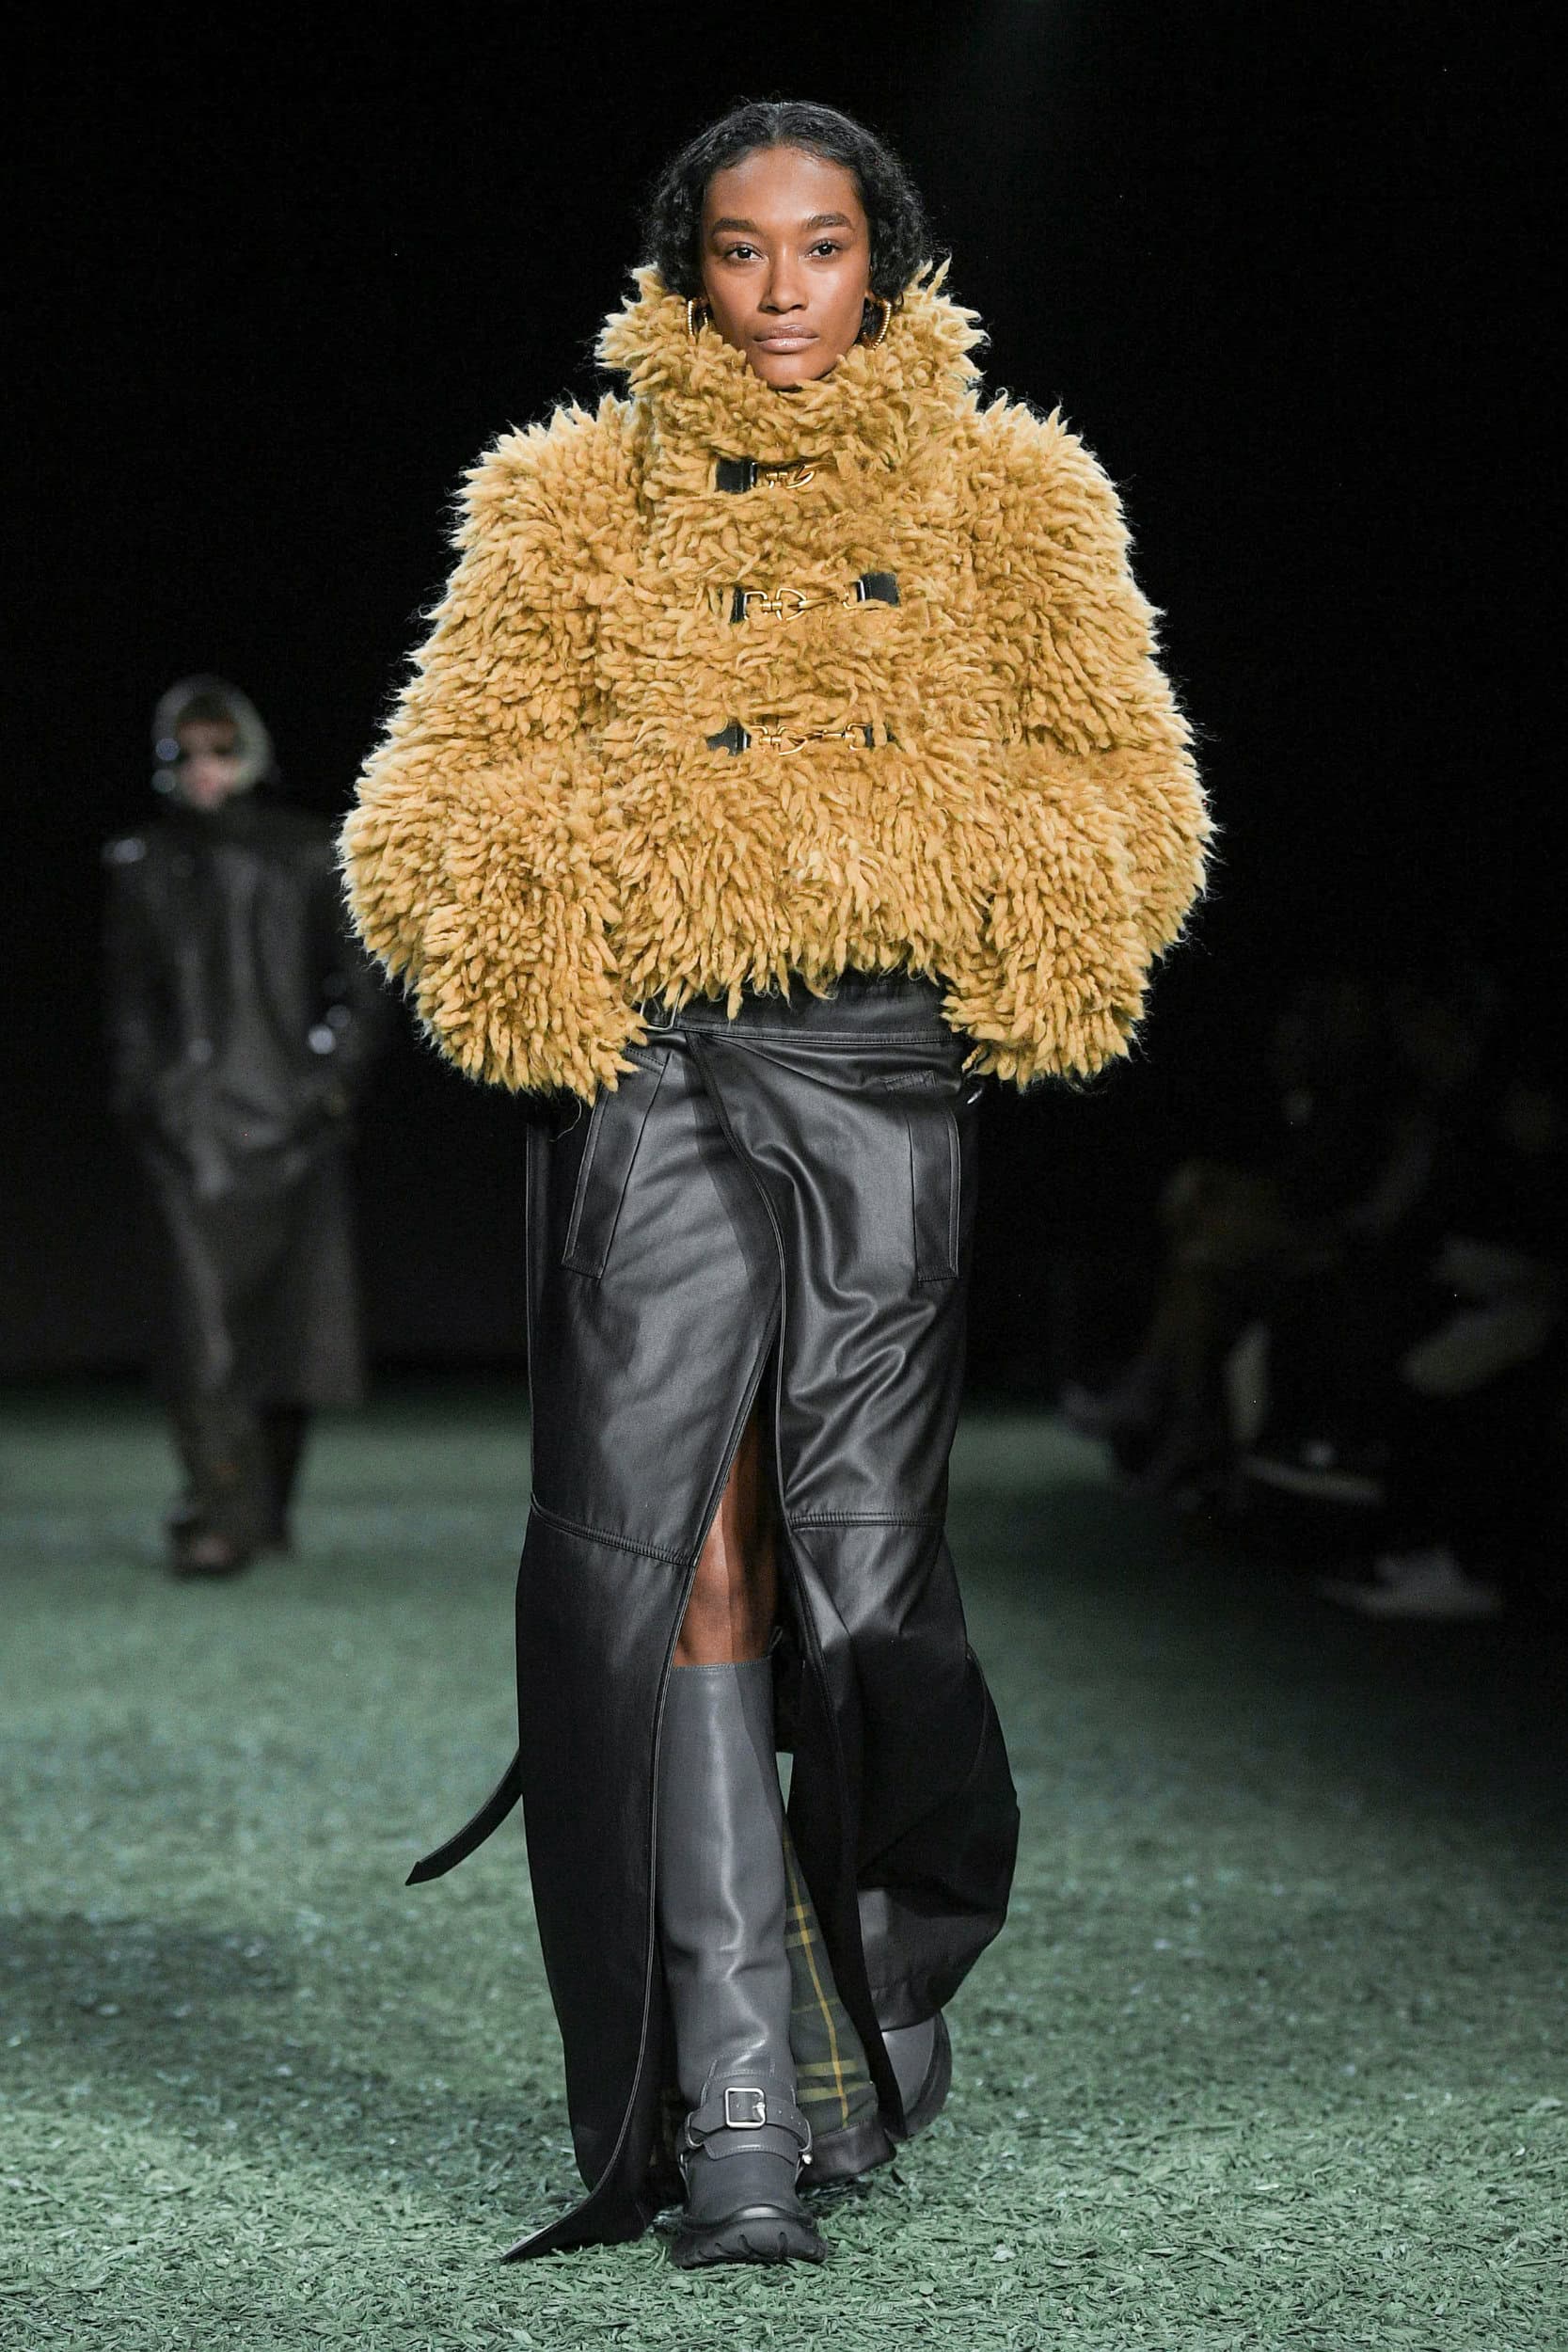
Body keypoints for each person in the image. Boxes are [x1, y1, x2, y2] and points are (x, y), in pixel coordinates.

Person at [341, 101, 1208, 2267]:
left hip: (882, 1066)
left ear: (882, 261)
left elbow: (1128, 791)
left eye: (822, 245)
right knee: (669, 1561)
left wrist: (994, 894)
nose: (783, 288)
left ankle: (874, 1988)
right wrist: (574, 909)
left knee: (865, 1577)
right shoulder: (567, 498)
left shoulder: (1012, 496)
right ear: (689, 269)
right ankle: (730, 2106)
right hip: (650, 1067)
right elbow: (429, 806)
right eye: (742, 248)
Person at [104, 676, 384, 1577]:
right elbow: (129, 1001)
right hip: (192, 1132)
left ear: (250, 752)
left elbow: (362, 984)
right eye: (185, 752)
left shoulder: (308, 853)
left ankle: (263, 1513)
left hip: (292, 1125)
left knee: (292, 1327)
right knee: (204, 1331)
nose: (204, 769)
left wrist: (327, 1091)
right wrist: (151, 1096)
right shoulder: (143, 861)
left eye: (220, 749)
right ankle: (220, 1515)